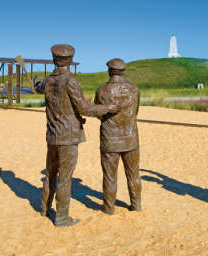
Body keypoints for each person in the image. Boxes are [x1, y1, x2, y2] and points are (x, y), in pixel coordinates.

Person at [33, 44, 121, 227]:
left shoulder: (49, 81)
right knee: (65, 177)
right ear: (71, 60)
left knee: (50, 173)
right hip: (68, 137)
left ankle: (44, 208)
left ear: (54, 59)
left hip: (52, 135)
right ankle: (62, 217)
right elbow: (85, 108)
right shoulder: (71, 81)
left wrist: (35, 81)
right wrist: (107, 108)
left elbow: (40, 87)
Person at [94, 58, 141, 215]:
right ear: (124, 71)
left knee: (109, 176)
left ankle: (109, 208)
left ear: (109, 71)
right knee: (133, 173)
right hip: (130, 138)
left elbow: (98, 113)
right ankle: (136, 205)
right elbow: (135, 112)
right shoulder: (134, 89)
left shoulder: (101, 91)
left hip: (110, 139)